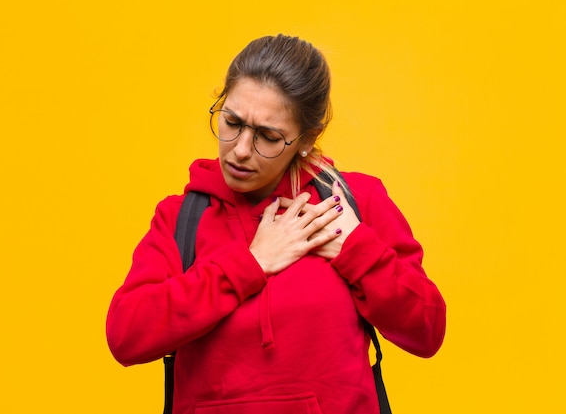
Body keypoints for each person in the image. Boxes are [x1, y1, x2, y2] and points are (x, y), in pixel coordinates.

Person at [106, 34, 446, 414]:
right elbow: (126, 336)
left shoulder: (351, 204)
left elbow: (427, 331)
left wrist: (356, 250)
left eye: (268, 136)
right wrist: (248, 264)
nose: (240, 149)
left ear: (306, 138)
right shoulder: (180, 217)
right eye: (231, 121)